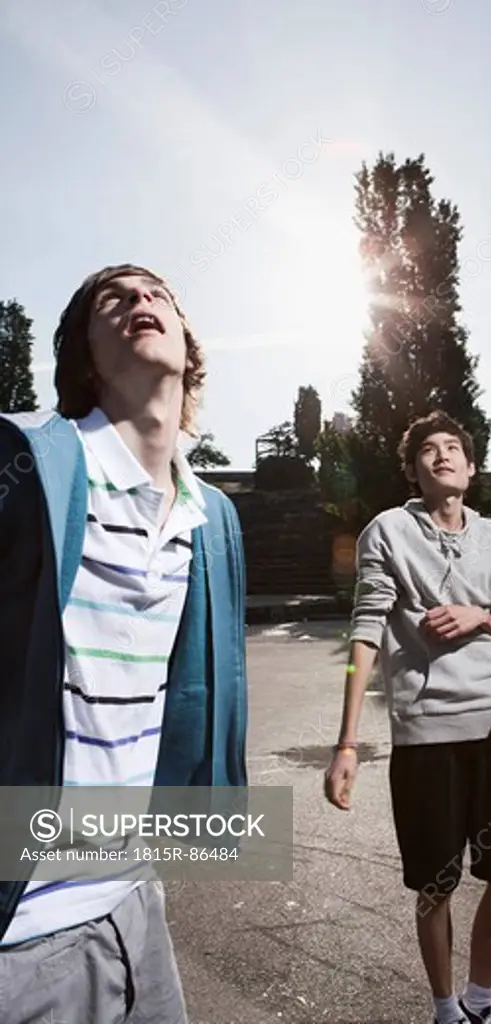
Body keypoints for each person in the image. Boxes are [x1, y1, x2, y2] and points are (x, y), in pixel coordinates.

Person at [0, 264, 248, 1023]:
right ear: (82, 356)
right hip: (23, 936)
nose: (142, 302)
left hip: (137, 904)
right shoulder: (26, 463)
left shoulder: (212, 520)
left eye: (158, 295)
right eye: (116, 298)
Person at [324, 410, 491, 1024]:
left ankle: (480, 999)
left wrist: (478, 616)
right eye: (427, 450)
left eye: (453, 448)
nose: (441, 455)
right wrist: (348, 743)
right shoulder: (388, 531)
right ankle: (446, 1009)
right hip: (427, 733)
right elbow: (365, 630)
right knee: (436, 885)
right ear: (414, 471)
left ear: (471, 468)